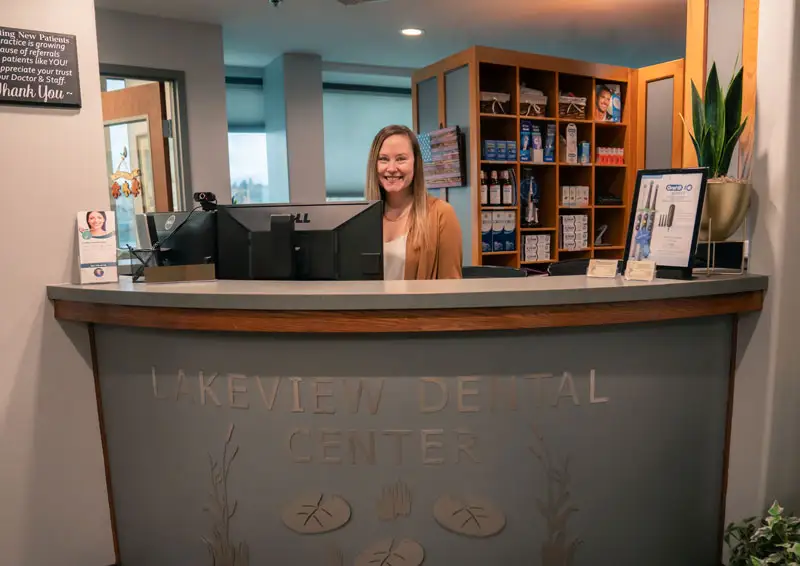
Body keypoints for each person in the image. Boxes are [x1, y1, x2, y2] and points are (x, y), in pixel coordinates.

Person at [365, 124, 463, 280]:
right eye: (383, 159)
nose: (391, 168)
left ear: (415, 163)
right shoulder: (361, 220)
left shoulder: (441, 215)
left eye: (401, 159)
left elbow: (451, 288)